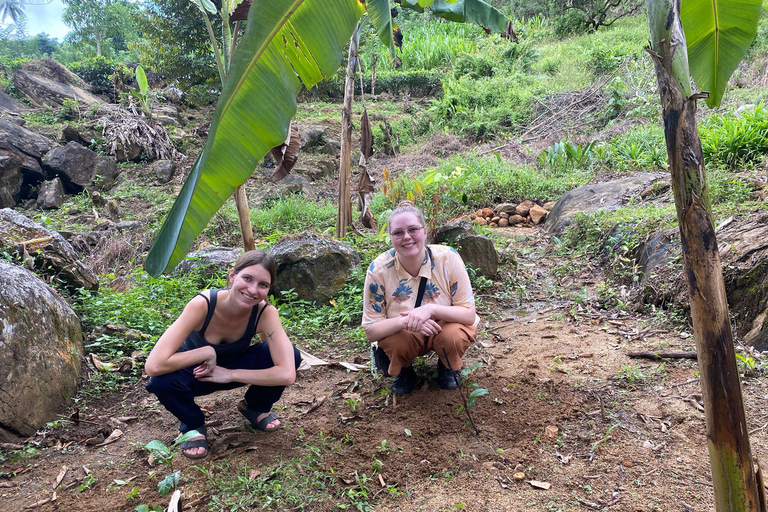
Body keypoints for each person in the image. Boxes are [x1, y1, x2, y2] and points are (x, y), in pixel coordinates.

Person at [145, 250, 301, 459]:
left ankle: (255, 407)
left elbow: (287, 373)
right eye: (247, 278)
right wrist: (206, 351)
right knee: (161, 380)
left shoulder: (265, 312)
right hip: (197, 373)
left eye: (263, 285)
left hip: (233, 368)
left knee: (292, 354)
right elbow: (153, 365)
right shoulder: (203, 305)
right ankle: (192, 424)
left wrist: (229, 373)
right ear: (232, 276)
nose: (253, 290)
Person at [362, 202, 479, 395]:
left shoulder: (448, 259)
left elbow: (468, 314)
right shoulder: (378, 270)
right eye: (398, 232)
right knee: (398, 341)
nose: (406, 237)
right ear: (390, 238)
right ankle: (405, 370)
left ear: (425, 232)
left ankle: (448, 365)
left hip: (443, 326)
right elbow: (371, 330)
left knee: (453, 336)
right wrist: (408, 321)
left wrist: (431, 310)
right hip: (403, 332)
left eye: (413, 230)